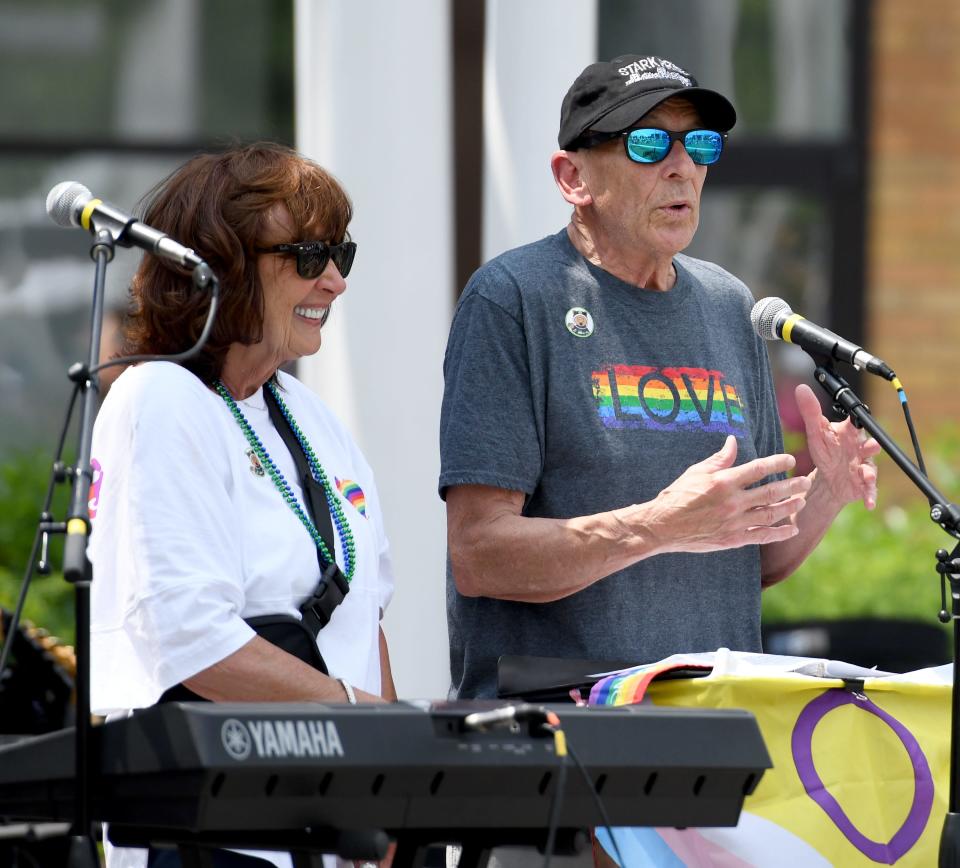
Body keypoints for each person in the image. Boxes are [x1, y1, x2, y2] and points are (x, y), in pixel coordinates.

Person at [439, 54, 880, 705]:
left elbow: (745, 559)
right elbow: (479, 554)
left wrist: (825, 493)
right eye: (648, 143)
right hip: (563, 740)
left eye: (699, 143)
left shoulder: (729, 305)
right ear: (573, 177)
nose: (682, 167)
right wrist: (657, 525)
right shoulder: (513, 299)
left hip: (712, 735)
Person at [89, 144, 396, 868]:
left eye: (341, 252)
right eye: (309, 254)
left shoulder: (309, 415)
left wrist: (390, 789)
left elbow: (366, 613)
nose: (335, 280)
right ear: (220, 263)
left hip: (326, 828)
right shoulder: (160, 399)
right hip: (214, 835)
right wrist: (369, 726)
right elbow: (193, 639)